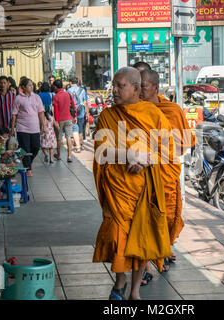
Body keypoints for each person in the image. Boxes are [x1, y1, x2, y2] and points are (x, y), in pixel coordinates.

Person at [92, 67, 177, 300]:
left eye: (121, 86)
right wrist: (130, 155)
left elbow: (169, 151)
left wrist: (145, 159)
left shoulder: (153, 114)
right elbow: (101, 151)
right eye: (114, 86)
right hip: (118, 189)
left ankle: (135, 291)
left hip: (145, 190)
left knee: (142, 238)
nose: (115, 91)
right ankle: (120, 280)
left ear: (136, 88)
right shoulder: (107, 116)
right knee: (118, 236)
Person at [139, 69, 195, 278]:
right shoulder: (134, 110)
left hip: (166, 172)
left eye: (142, 86)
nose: (139, 91)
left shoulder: (171, 110)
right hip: (142, 174)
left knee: (169, 216)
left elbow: (184, 144)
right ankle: (148, 261)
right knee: (146, 219)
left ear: (155, 87)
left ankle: (163, 250)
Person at [10, 78, 46, 176]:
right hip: (22, 127)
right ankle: (28, 168)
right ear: (23, 87)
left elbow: (41, 113)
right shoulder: (18, 98)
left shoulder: (37, 97)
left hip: (35, 127)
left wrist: (44, 126)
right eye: (29, 85)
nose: (32, 86)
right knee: (25, 149)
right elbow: (14, 114)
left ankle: (28, 162)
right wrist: (12, 128)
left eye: (32, 85)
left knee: (36, 147)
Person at [52, 79, 75, 162]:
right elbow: (73, 106)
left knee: (59, 138)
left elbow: (56, 111)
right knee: (69, 137)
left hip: (60, 120)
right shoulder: (68, 94)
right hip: (68, 118)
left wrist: (56, 121)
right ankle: (69, 156)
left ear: (55, 86)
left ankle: (58, 155)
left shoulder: (55, 97)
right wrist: (74, 116)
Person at [67, 77, 88, 152]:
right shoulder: (82, 90)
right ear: (77, 82)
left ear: (70, 82)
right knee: (81, 128)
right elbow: (85, 102)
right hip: (81, 110)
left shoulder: (68, 91)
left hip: (72, 112)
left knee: (75, 127)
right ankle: (80, 144)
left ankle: (77, 145)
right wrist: (87, 112)